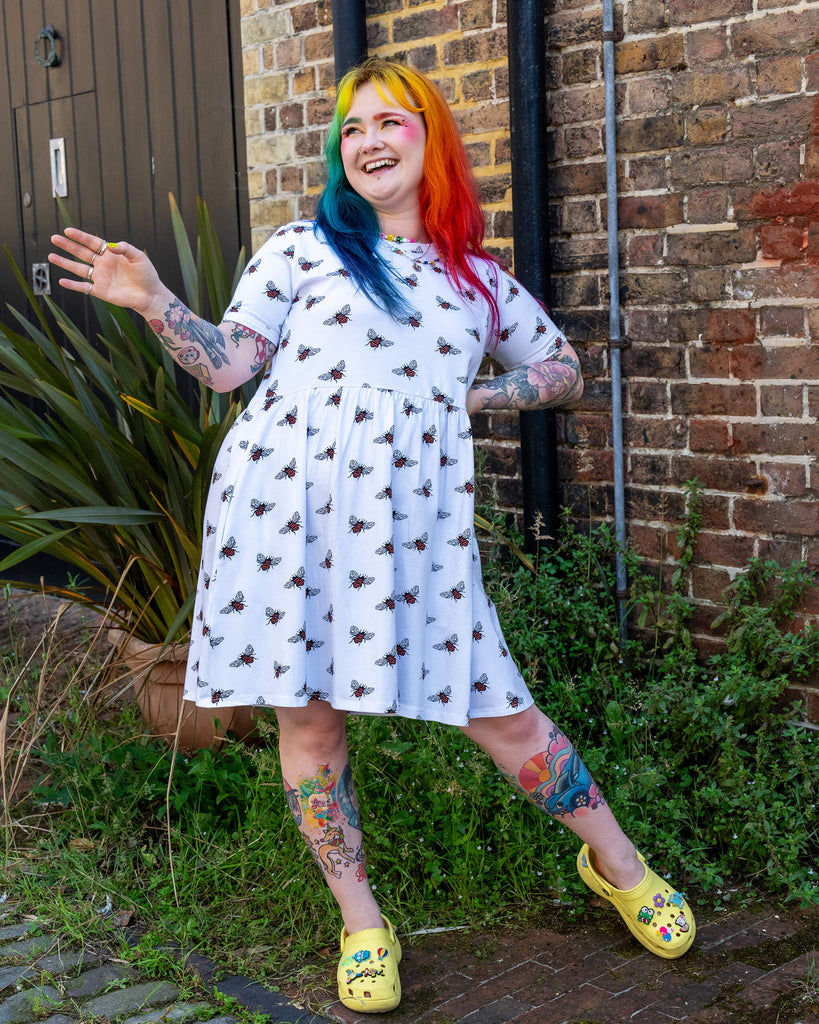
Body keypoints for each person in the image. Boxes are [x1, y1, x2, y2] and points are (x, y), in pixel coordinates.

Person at [49, 57, 695, 1015]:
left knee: (500, 711)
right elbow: (229, 368)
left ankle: (620, 866)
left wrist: (468, 395)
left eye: (389, 122)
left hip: (414, 529)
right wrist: (154, 303)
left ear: (429, 141)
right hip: (282, 515)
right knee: (308, 720)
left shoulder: (476, 279)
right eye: (351, 128)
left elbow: (558, 367)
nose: (367, 141)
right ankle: (362, 923)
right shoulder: (300, 250)